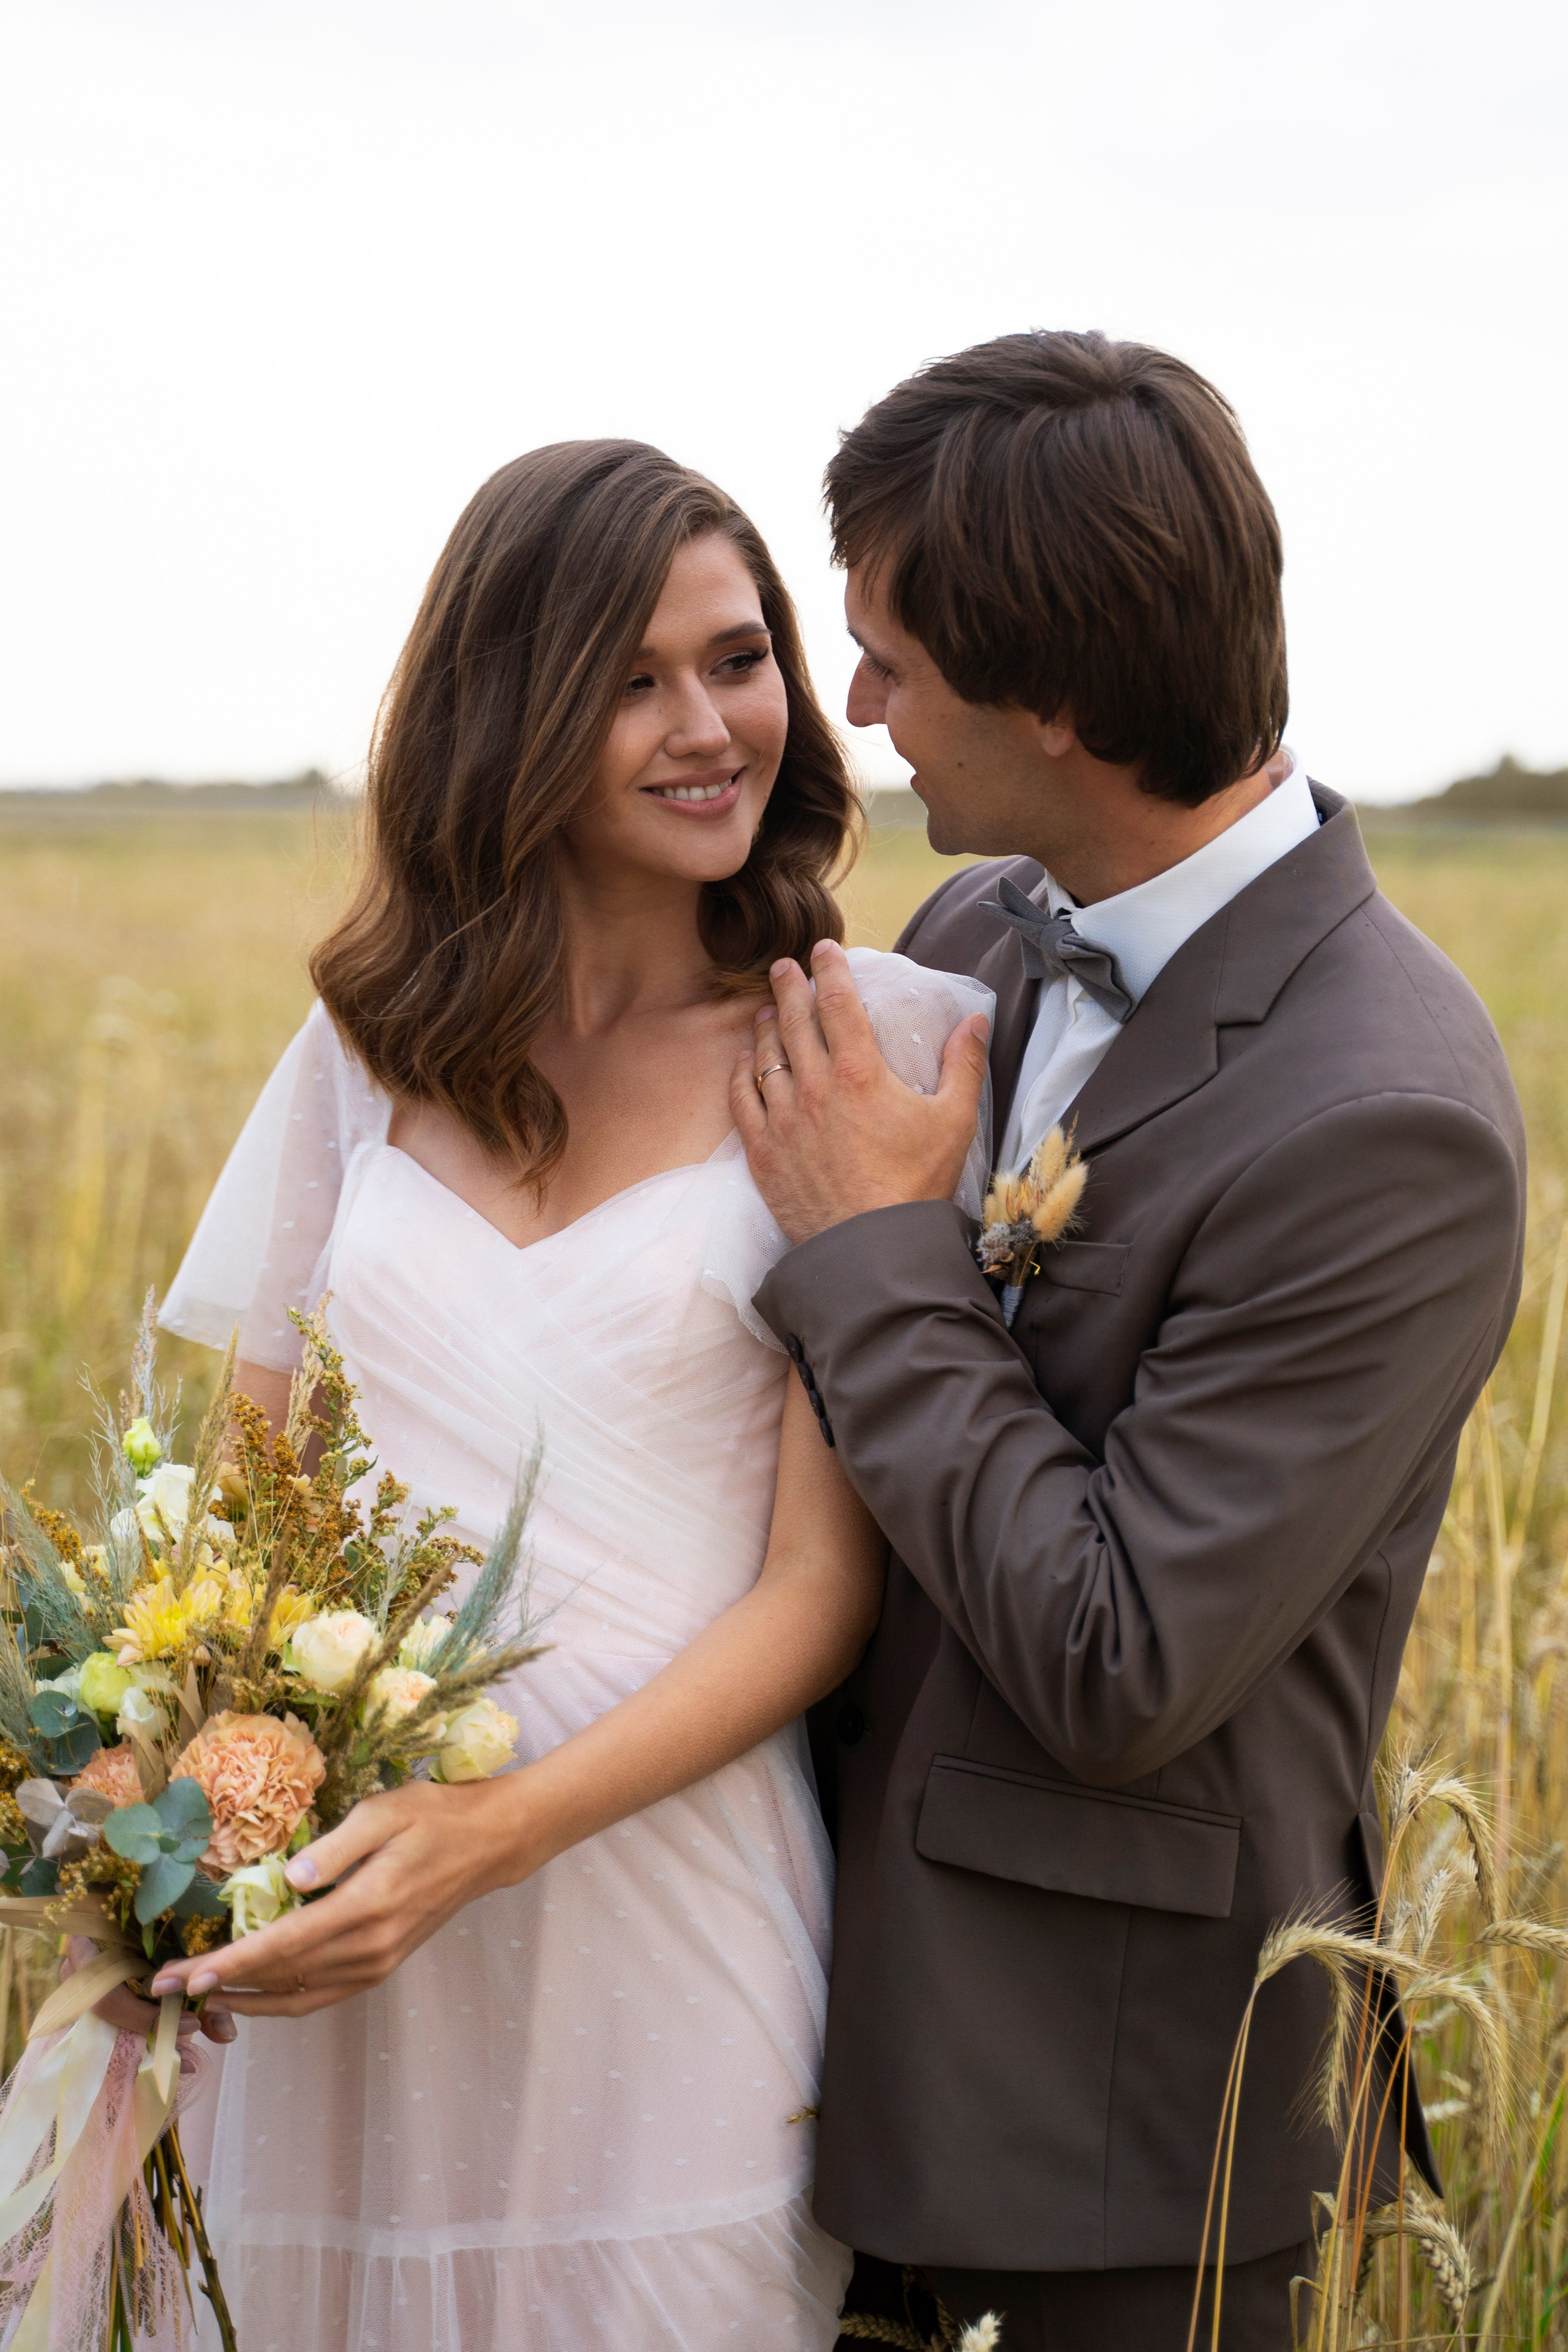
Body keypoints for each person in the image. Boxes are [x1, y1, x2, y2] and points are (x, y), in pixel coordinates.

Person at [134, 440, 992, 2350]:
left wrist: (492, 1834)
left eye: (741, 655)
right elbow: (248, 1512)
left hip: (664, 1933)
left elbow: (816, 1589)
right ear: (506, 712)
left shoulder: (879, 1044)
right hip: (341, 1948)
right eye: (628, 679)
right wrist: (164, 1840)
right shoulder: (366, 1053)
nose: (711, 725)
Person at [731, 330, 1528, 2351]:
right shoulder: (979, 930)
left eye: (893, 660)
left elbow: (1119, 1659)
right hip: (799, 2019)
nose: (859, 708)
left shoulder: (1388, 1119)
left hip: (1107, 2136)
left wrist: (880, 1252)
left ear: (1062, 695)